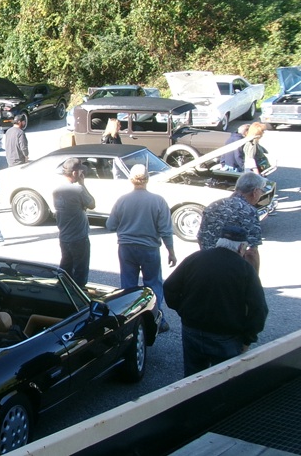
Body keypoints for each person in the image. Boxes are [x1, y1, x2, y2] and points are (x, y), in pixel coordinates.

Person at [164, 225, 268, 376]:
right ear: (241, 247)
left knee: (192, 379)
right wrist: (248, 339)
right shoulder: (245, 269)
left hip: (192, 329)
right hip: (226, 336)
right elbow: (259, 308)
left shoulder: (195, 258)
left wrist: (183, 311)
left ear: (219, 241)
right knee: (223, 381)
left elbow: (169, 287)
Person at [106, 164, 176, 333]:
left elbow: (110, 225)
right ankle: (157, 320)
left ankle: (128, 321)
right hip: (149, 248)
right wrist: (171, 252)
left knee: (128, 286)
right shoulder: (158, 201)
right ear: (147, 179)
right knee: (153, 285)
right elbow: (165, 230)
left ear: (131, 179)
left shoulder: (122, 200)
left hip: (126, 248)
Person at [197, 171, 265, 271]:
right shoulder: (249, 211)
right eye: (262, 191)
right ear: (255, 192)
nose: (261, 194)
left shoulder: (213, 205)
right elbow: (252, 252)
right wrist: (254, 277)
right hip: (231, 269)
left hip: (207, 264)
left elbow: (200, 237)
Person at [52, 158, 96, 286]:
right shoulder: (78, 189)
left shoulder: (56, 191)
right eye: (80, 171)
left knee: (66, 267)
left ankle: (62, 289)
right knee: (81, 270)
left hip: (64, 236)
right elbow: (92, 204)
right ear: (75, 173)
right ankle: (79, 292)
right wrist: (82, 184)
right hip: (79, 237)